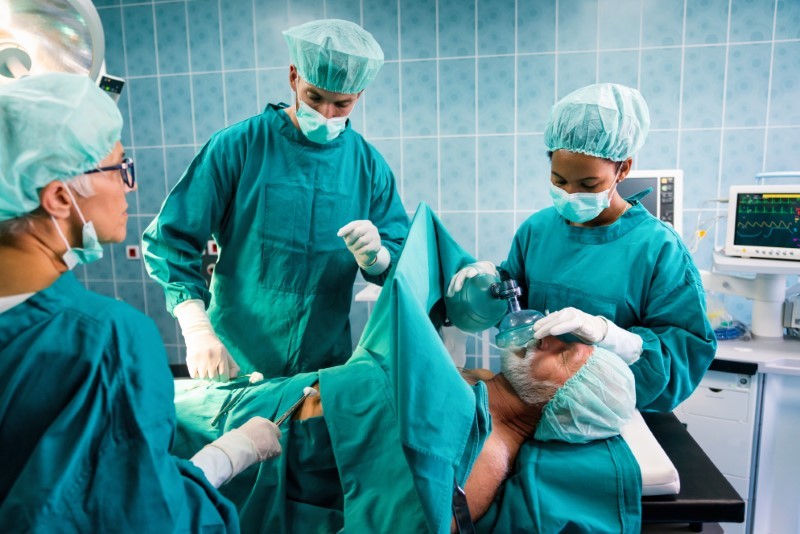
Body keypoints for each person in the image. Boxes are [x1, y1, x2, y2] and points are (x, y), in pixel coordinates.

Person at [0, 73, 282, 532]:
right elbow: (150, 517)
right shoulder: (107, 342)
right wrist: (221, 461)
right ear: (57, 197)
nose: (130, 186)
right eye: (120, 168)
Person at [142, 18, 409, 382]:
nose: (326, 114)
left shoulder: (368, 166)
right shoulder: (238, 146)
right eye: (315, 97)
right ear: (293, 76)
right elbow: (170, 238)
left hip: (323, 368)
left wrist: (378, 259)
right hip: (237, 359)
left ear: (358, 96)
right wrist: (195, 327)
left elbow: (401, 259)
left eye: (341, 104)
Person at [173, 334, 635, 530]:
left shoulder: (484, 455)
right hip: (255, 404)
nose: (547, 337)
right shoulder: (479, 382)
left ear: (560, 399)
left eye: (565, 353)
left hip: (257, 454)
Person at [448, 83, 716, 412]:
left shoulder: (658, 249)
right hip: (533, 405)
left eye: (589, 185)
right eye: (559, 181)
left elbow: (681, 363)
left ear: (624, 168)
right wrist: (484, 284)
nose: (571, 194)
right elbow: (512, 304)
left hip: (608, 417)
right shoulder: (538, 230)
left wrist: (610, 336)